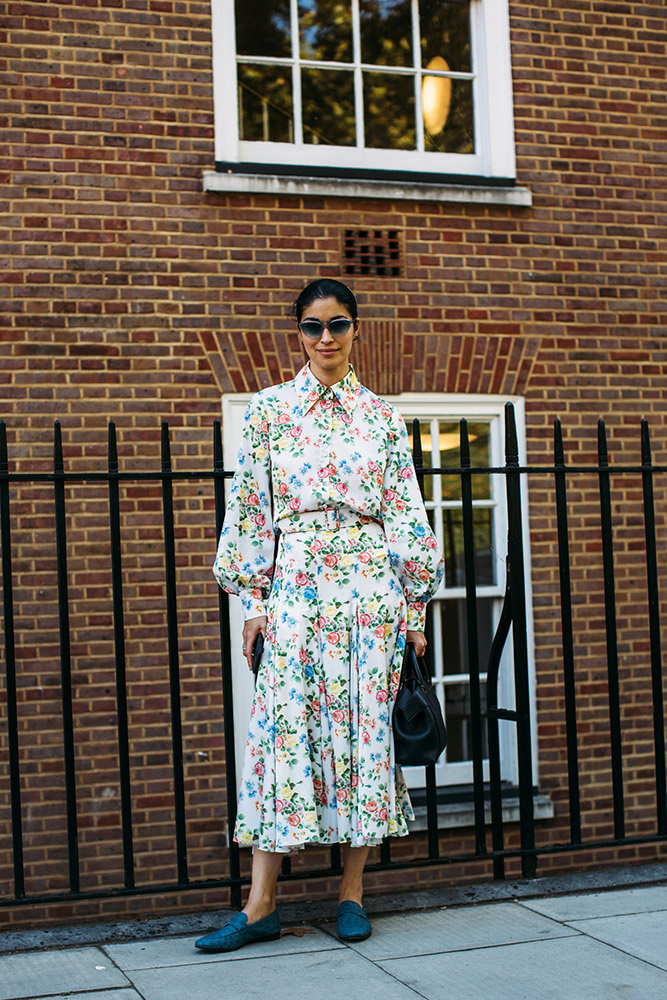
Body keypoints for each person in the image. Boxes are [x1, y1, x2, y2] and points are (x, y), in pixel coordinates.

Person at [196, 278, 444, 953]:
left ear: (356, 329)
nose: (325, 338)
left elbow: (404, 513)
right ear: (297, 333)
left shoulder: (381, 417)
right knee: (282, 735)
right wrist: (253, 602)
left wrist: (414, 608)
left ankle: (351, 896)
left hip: (368, 589)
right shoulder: (271, 410)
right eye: (312, 326)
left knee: (364, 734)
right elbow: (249, 509)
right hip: (297, 589)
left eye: (337, 325)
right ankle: (259, 906)